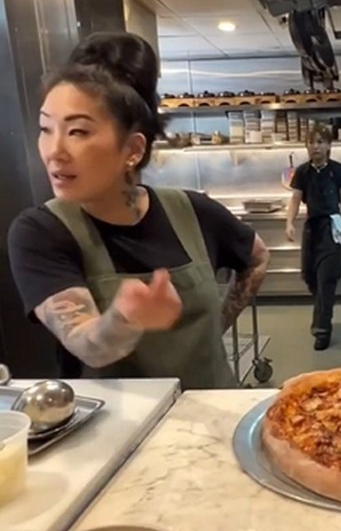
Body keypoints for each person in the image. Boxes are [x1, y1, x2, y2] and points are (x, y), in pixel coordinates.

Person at [7, 32, 270, 390]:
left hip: (212, 418)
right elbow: (89, 346)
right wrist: (125, 318)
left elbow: (257, 257)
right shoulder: (42, 232)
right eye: (45, 128)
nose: (54, 150)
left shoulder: (193, 211)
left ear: (132, 149)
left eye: (78, 131)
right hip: (117, 436)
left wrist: (216, 323)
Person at [285, 125, 341, 350]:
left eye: (321, 142)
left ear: (329, 146)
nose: (316, 146)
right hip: (311, 230)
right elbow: (295, 199)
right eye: (312, 142)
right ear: (307, 146)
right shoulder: (303, 172)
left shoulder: (338, 170)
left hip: (333, 228)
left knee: (327, 279)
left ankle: (323, 329)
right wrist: (289, 223)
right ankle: (321, 313)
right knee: (310, 277)